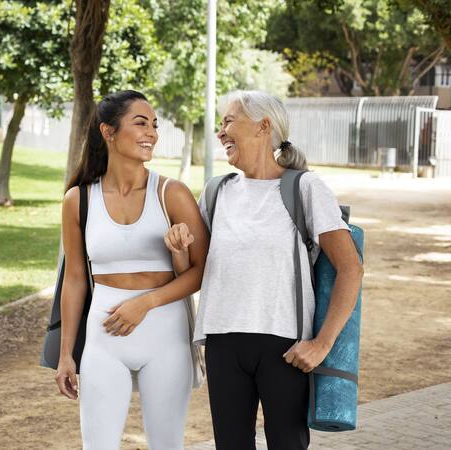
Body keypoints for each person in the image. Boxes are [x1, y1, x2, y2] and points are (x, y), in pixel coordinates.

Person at [180, 90, 364, 449]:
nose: (221, 132)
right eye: (221, 125)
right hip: (222, 341)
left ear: (264, 126)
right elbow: (194, 269)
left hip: (285, 346)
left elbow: (351, 268)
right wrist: (177, 249)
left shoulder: (305, 187)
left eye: (229, 121)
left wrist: (321, 345)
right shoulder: (217, 191)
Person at [54, 90, 208, 449]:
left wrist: (146, 302)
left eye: (155, 125)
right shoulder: (78, 200)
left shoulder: (172, 194)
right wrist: (65, 355)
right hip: (104, 339)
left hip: (166, 334)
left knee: (167, 444)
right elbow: (75, 280)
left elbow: (202, 269)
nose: (151, 133)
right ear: (108, 132)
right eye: (140, 123)